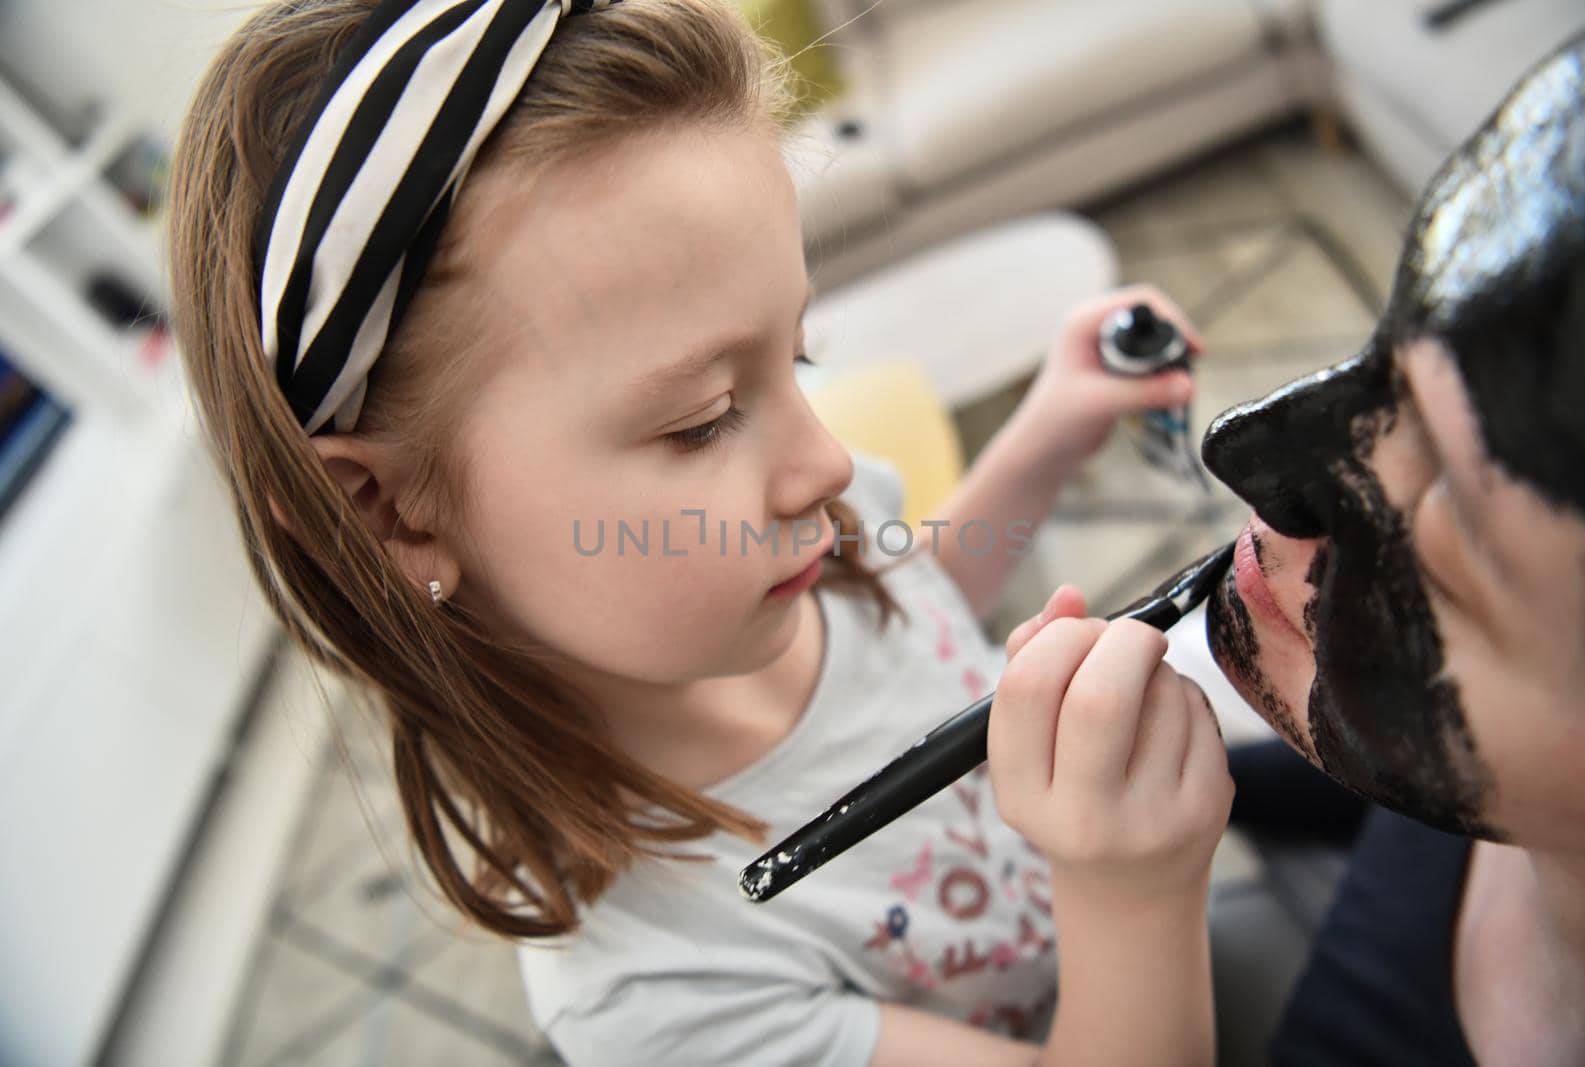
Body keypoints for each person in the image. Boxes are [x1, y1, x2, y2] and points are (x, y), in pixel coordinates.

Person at [165, 0, 1234, 1063]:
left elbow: (919, 607)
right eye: (701, 420)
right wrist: (1133, 891)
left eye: (800, 356)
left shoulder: (789, 537)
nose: (822, 463)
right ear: (389, 511)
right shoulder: (660, 991)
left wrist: (1047, 432)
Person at [1197, 21, 1585, 1066]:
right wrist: (1216, 774)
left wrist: (1125, 899)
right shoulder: (1475, 781)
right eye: (1382, 351)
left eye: (1453, 520)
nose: (1242, 447)